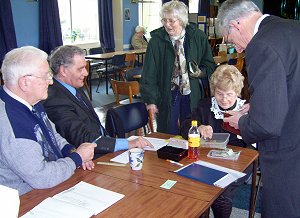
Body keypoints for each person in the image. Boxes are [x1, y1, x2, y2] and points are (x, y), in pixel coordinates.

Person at [216, 0, 300, 217]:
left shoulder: (261, 45)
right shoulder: (291, 28)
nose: (237, 48)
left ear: (235, 24)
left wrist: (240, 122)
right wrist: (262, 102)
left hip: (289, 155)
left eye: (228, 38)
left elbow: (266, 124)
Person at [0, 46, 96, 195]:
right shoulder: (12, 124)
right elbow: (42, 177)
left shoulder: (31, 101)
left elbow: (52, 135)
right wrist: (77, 158)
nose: (51, 82)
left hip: (52, 183)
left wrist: (71, 151)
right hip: (28, 199)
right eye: (46, 76)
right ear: (25, 82)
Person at [43, 45, 152, 159]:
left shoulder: (73, 86)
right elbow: (82, 138)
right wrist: (128, 143)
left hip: (103, 149)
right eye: (80, 69)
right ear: (63, 71)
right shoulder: (54, 100)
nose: (86, 73)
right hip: (89, 160)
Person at [181, 64, 250, 218]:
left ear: (237, 93)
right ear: (213, 91)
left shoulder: (245, 109)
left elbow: (253, 146)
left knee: (221, 193)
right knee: (192, 187)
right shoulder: (205, 106)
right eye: (219, 94)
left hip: (237, 160)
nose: (224, 99)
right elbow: (185, 128)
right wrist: (198, 128)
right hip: (207, 157)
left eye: (229, 94)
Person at [140, 0, 216, 135]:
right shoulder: (156, 41)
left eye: (171, 21)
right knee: (168, 130)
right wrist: (150, 100)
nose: (167, 25)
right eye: (164, 20)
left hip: (191, 93)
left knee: (193, 128)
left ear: (181, 20)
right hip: (167, 93)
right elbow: (149, 74)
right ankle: (169, 155)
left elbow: (210, 66)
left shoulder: (198, 37)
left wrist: (200, 72)